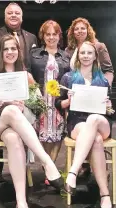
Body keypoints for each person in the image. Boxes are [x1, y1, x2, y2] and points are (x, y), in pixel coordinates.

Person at [0, 34, 64, 208]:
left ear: (18, 51)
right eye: (6, 49)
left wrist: (27, 104)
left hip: (13, 124)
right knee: (12, 110)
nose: (10, 52)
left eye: (13, 48)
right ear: (0, 51)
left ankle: (21, 202)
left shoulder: (25, 76)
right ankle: (47, 162)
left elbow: (39, 105)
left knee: (14, 137)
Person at [0, 2, 38, 182]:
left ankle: (21, 167)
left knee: (15, 129)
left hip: (21, 94)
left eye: (17, 13)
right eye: (10, 13)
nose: (13, 15)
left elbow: (30, 66)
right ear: (5, 16)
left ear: (22, 16)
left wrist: (29, 86)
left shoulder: (31, 37)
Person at [55, 41, 113, 208]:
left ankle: (72, 172)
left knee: (94, 118)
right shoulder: (68, 78)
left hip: (101, 121)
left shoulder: (103, 79)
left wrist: (109, 105)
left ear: (95, 56)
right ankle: (105, 196)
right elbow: (59, 104)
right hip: (77, 122)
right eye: (83, 53)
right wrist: (67, 102)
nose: (86, 56)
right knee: (95, 140)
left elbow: (109, 109)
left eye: (89, 53)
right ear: (77, 56)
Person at [65, 17, 114, 177]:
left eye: (82, 28)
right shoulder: (69, 50)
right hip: (77, 104)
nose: (79, 31)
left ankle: (75, 170)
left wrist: (102, 91)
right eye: (76, 29)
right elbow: (68, 76)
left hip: (96, 97)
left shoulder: (99, 46)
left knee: (93, 120)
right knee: (96, 139)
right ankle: (100, 184)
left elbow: (108, 70)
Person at [30, 20, 70, 185]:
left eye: (55, 34)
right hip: (41, 99)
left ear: (59, 36)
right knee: (43, 135)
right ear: (43, 36)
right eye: (48, 34)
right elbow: (27, 73)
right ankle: (49, 168)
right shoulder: (34, 55)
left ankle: (50, 168)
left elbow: (69, 80)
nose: (51, 37)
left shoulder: (66, 56)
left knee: (58, 133)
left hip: (59, 101)